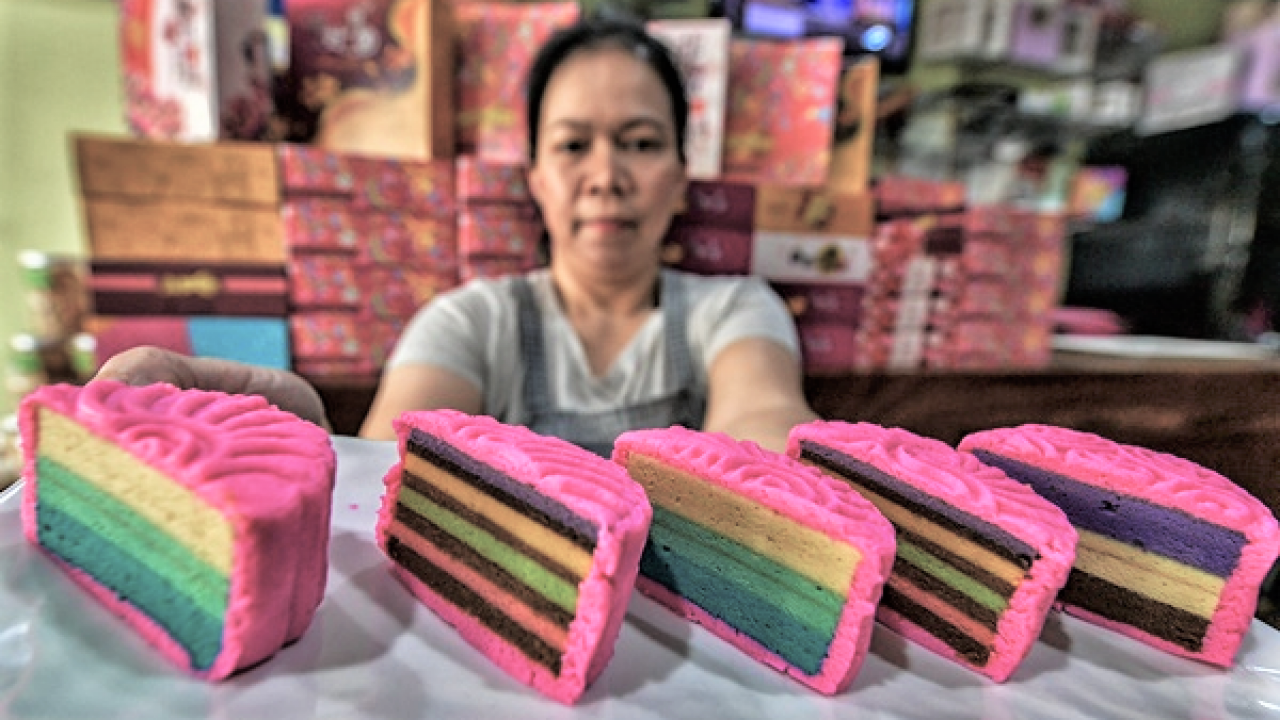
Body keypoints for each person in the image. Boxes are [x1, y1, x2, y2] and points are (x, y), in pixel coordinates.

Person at [96, 16, 818, 454]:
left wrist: (801, 475)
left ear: (681, 176)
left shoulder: (736, 309)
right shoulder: (471, 319)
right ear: (535, 177)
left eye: (640, 143)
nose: (606, 176)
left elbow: (760, 416)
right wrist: (320, 456)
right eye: (573, 146)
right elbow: (396, 455)